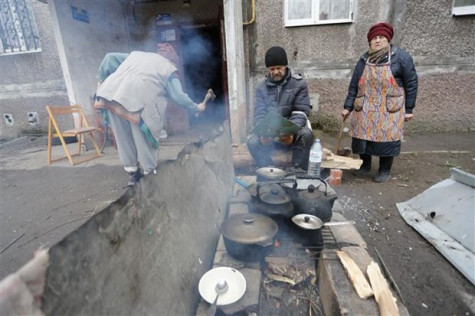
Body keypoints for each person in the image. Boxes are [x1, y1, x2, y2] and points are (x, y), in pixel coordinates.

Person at [95, 43, 206, 187]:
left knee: (123, 137)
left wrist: (101, 80)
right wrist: (196, 107)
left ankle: (133, 175)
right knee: (144, 139)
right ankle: (149, 175)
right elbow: (178, 96)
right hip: (137, 102)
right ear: (173, 60)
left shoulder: (137, 55)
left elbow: (109, 58)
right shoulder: (169, 68)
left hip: (110, 96)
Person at [341, 22, 418, 183]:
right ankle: (365, 165)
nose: (377, 40)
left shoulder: (401, 58)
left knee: (387, 139)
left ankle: (384, 170)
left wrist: (409, 108)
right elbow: (354, 85)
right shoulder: (363, 59)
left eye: (381, 37)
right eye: (374, 38)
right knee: (362, 139)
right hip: (365, 107)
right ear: (370, 41)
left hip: (389, 109)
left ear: (388, 39)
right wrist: (347, 107)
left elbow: (411, 83)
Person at [247, 46, 314, 171]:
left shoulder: (299, 83)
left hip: (291, 134)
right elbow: (259, 113)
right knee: (252, 141)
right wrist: (263, 134)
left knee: (307, 134)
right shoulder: (261, 87)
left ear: (285, 66)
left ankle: (298, 170)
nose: (276, 72)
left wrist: (290, 133)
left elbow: (301, 111)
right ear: (268, 69)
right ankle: (268, 170)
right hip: (270, 135)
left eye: (279, 68)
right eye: (272, 69)